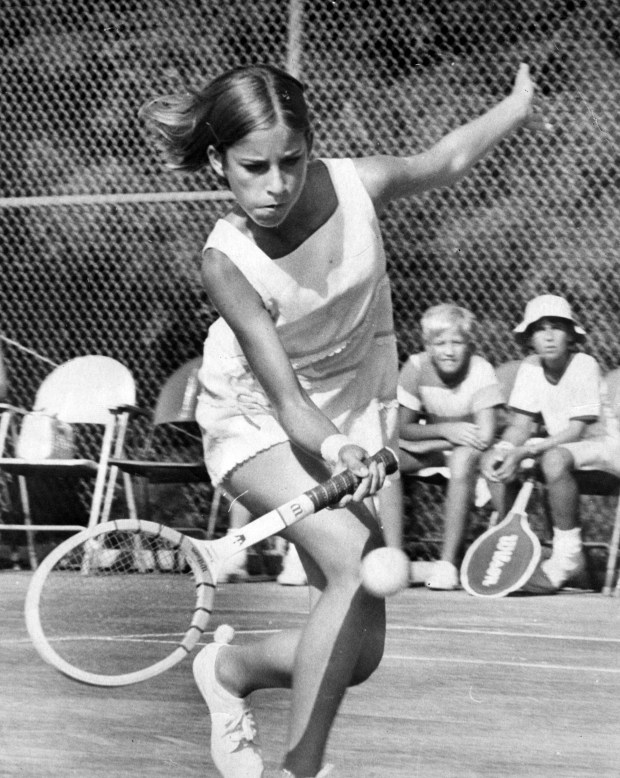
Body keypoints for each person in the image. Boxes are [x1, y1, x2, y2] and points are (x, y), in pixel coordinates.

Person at [140, 62, 539, 778]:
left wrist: (515, 106)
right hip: (258, 416)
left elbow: (445, 158)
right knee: (357, 564)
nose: (275, 185)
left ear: (311, 147)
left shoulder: (355, 185)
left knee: (358, 657)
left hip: (357, 408)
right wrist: (338, 447)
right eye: (252, 167)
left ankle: (228, 670)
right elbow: (288, 402)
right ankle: (301, 770)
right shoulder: (225, 263)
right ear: (216, 162)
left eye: (290, 163)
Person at [480, 294, 620, 594]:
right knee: (495, 459)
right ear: (530, 337)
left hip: (607, 448)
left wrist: (527, 450)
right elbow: (520, 426)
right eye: (540, 328)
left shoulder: (584, 363)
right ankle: (518, 551)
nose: (548, 335)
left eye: (556, 327)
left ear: (570, 334)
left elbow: (577, 430)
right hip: (560, 451)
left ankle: (568, 557)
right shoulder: (530, 367)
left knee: (553, 458)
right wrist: (504, 451)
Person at [397, 304, 504, 590]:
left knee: (460, 461)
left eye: (457, 342)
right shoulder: (416, 366)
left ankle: (447, 564)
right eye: (439, 343)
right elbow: (401, 428)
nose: (448, 351)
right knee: (385, 460)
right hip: (439, 445)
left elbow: (484, 435)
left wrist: (454, 438)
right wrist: (446, 431)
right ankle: (392, 556)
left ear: (469, 344)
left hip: (472, 453)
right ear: (428, 346)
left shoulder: (481, 369)